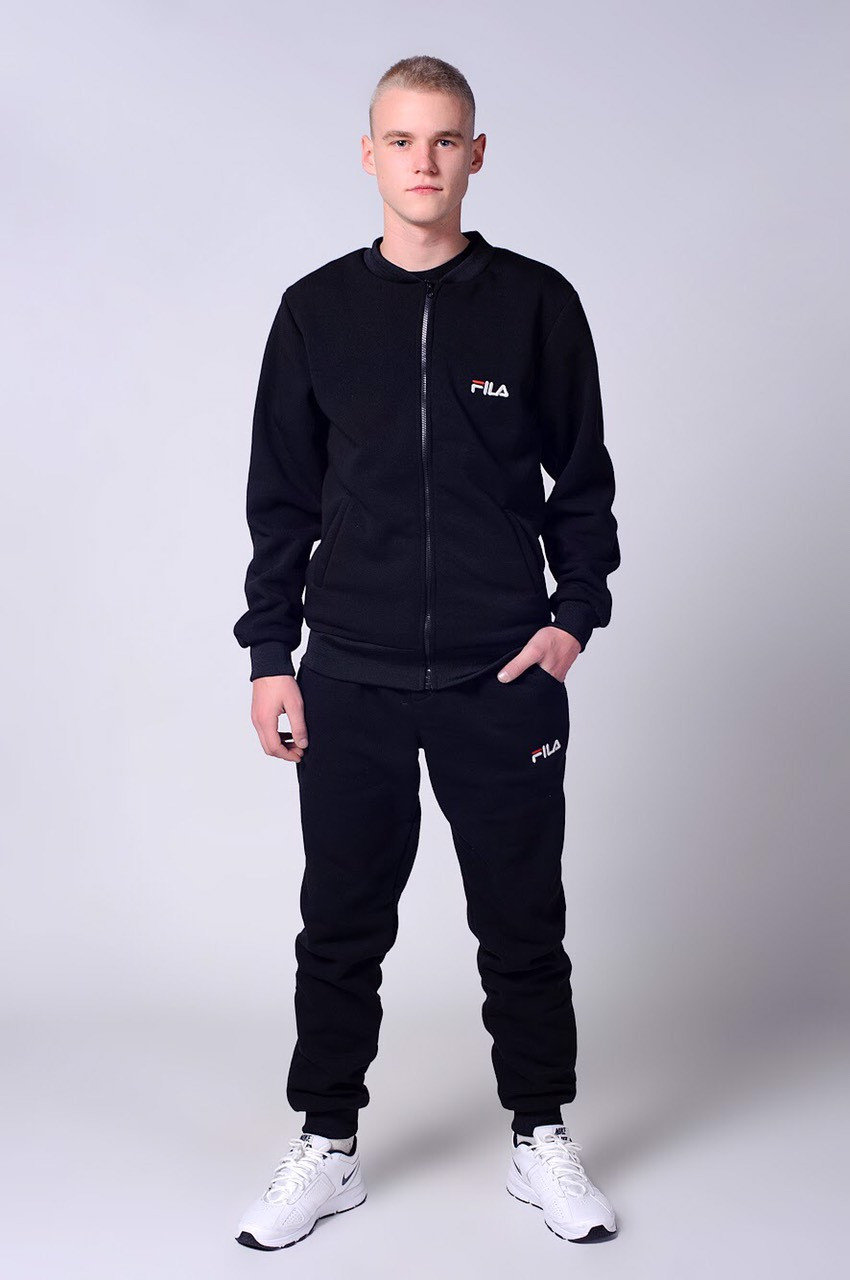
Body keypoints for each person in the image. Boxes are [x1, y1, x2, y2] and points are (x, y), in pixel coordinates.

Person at [232, 55, 621, 1249]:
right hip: (347, 670)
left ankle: (540, 1135)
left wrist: (571, 618)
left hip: (501, 675)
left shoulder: (536, 304)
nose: (423, 161)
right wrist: (270, 653)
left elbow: (583, 484)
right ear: (369, 155)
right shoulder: (314, 311)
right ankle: (327, 1144)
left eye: (445, 139)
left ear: (476, 154)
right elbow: (279, 500)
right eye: (401, 140)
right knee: (339, 923)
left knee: (522, 920)